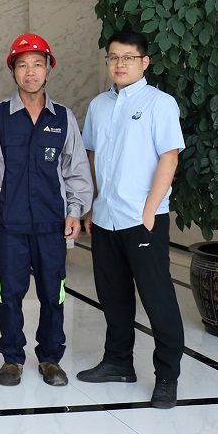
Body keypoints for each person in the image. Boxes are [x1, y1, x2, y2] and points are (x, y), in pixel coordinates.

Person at [0, 33, 93, 387]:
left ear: (49, 69)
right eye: (22, 65)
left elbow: (77, 170)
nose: (31, 72)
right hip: (9, 223)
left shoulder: (63, 117)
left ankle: (50, 358)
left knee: (54, 293)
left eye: (38, 64)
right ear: (13, 70)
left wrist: (75, 211)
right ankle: (12, 358)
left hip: (53, 224)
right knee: (9, 293)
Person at [77, 29, 185, 409]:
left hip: (142, 220)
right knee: (113, 296)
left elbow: (169, 157)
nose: (119, 64)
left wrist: (150, 211)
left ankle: (167, 377)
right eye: (113, 57)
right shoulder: (99, 105)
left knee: (158, 299)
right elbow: (91, 156)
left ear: (144, 62)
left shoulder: (160, 103)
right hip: (105, 218)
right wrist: (91, 205)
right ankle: (118, 362)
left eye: (128, 57)